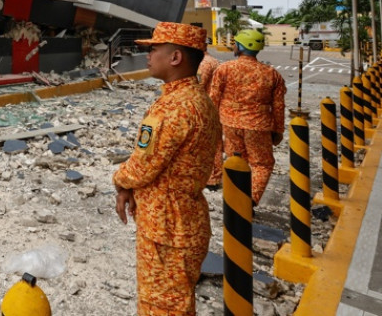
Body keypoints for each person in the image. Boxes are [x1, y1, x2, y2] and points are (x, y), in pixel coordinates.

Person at [114, 22, 220, 315]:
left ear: (175, 58)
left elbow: (142, 167)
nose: (148, 55)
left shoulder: (173, 108)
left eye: (154, 49)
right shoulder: (199, 101)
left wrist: (121, 182)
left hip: (167, 228)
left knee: (162, 307)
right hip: (183, 220)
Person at [207, 29, 287, 205]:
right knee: (262, 165)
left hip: (229, 124)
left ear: (242, 46)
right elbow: (278, 106)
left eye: (236, 43)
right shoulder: (272, 74)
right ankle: (249, 201)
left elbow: (213, 98)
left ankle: (235, 200)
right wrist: (278, 130)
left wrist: (212, 124)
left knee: (236, 160)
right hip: (258, 126)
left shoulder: (224, 69)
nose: (233, 45)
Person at [198, 51, 223, 188]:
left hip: (207, 110)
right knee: (216, 144)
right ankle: (215, 177)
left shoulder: (204, 64)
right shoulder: (213, 61)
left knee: (209, 145)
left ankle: (212, 179)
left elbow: (197, 87)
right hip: (216, 108)